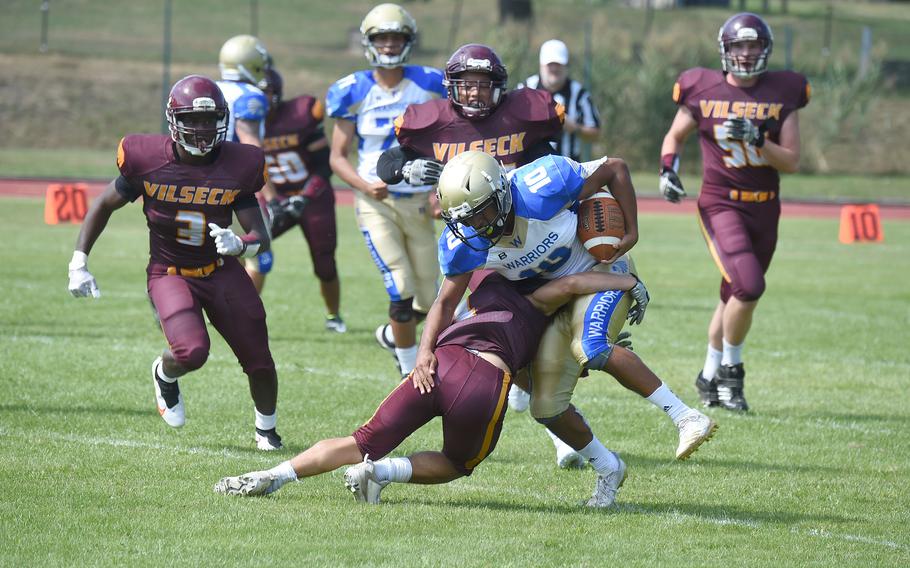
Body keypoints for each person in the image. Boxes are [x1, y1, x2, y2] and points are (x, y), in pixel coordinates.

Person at [215, 269, 642, 507]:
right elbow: (569, 286)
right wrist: (627, 284)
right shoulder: (537, 299)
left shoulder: (483, 283)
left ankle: (274, 475)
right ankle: (383, 473)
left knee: (361, 439)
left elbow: (443, 301)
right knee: (458, 462)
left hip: (437, 362)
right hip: (483, 379)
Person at [413, 151, 716, 473]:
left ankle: (686, 416)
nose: (477, 225)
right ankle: (609, 469)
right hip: (555, 298)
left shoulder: (542, 184)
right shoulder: (464, 243)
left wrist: (631, 231)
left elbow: (615, 167)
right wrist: (424, 351)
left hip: (602, 271)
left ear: (501, 193)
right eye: (466, 219)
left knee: (591, 346)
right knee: (546, 406)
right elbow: (445, 303)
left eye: (482, 213)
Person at [66, 75, 284, 450]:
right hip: (169, 273)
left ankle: (266, 430)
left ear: (223, 119)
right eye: (192, 120)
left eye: (209, 119)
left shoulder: (240, 163)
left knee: (259, 358)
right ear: (173, 120)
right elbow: (103, 204)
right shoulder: (146, 159)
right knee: (192, 352)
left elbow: (259, 237)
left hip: (220, 271)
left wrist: (240, 246)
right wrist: (78, 261)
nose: (201, 129)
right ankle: (165, 374)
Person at [658, 12, 809, 411]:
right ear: (725, 51)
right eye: (739, 46)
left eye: (753, 45)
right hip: (720, 203)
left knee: (733, 294)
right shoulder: (702, 87)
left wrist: (761, 140)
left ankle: (708, 375)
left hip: (765, 207)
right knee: (749, 286)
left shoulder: (784, 90)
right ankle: (731, 373)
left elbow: (792, 161)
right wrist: (667, 169)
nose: (746, 53)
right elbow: (675, 135)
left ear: (765, 49)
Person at [326, 3, 446, 377]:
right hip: (375, 201)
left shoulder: (430, 84)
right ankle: (411, 375)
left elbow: (449, 141)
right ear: (369, 42)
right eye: (383, 37)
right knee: (400, 284)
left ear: (408, 41)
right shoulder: (353, 90)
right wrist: (364, 185)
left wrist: (445, 189)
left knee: (431, 299)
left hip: (420, 203)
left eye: (397, 37)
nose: (390, 45)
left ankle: (394, 338)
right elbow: (338, 156)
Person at [376, 42, 564, 184]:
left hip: (520, 210)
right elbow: (387, 162)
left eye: (484, 86)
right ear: (452, 88)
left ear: (498, 88)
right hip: (463, 222)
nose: (475, 93)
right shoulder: (435, 121)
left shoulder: (520, 113)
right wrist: (407, 169)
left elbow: (549, 159)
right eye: (467, 86)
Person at [260, 67, 345, 333]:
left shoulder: (299, 115)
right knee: (248, 248)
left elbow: (324, 167)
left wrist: (304, 197)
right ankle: (238, 312)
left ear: (277, 94)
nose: (261, 99)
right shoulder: (245, 123)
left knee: (324, 262)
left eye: (267, 92)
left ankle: (333, 315)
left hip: (313, 197)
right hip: (276, 198)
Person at [215, 34, 279, 293]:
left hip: (200, 180)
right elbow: (251, 147)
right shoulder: (251, 95)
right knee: (260, 254)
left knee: (221, 250)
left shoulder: (210, 87)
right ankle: (240, 309)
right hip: (235, 184)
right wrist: (273, 196)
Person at [518, 39, 601, 162]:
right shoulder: (525, 90)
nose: (554, 69)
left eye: (558, 64)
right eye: (550, 64)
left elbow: (596, 133)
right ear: (541, 65)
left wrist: (574, 127)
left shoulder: (579, 94)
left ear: (566, 65)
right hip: (531, 167)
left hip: (569, 167)